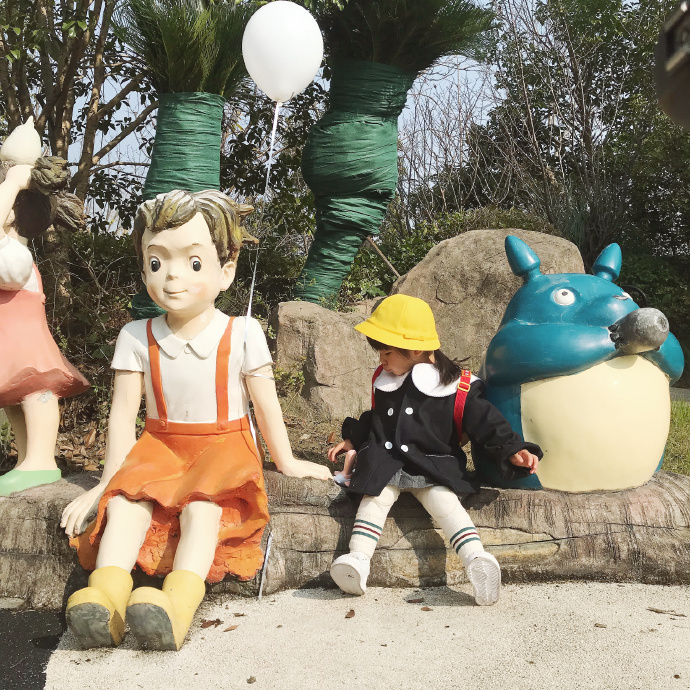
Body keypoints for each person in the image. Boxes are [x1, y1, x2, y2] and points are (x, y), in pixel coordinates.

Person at [61, 189, 331, 651]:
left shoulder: (242, 332)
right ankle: (105, 599)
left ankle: (176, 605)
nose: (172, 277)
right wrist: (106, 482)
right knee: (125, 505)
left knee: (203, 510)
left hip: (223, 448)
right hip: (159, 447)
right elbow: (122, 414)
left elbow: (265, 405)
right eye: (156, 262)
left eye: (194, 262)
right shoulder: (135, 335)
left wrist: (286, 461)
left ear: (226, 271)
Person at [327, 294, 541, 605]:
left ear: (415, 350)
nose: (382, 360)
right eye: (380, 353)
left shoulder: (457, 386)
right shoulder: (386, 378)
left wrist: (511, 448)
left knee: (445, 503)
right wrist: (353, 438)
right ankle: (358, 560)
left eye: (387, 352)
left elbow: (485, 420)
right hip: (386, 463)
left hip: (433, 464)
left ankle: (476, 558)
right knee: (374, 499)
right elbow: (376, 418)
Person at [0, 159, 89, 496]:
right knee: (14, 397)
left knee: (36, 390)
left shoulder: (15, 255)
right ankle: (27, 458)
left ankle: (40, 460)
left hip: (24, 342)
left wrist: (12, 183)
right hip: (9, 342)